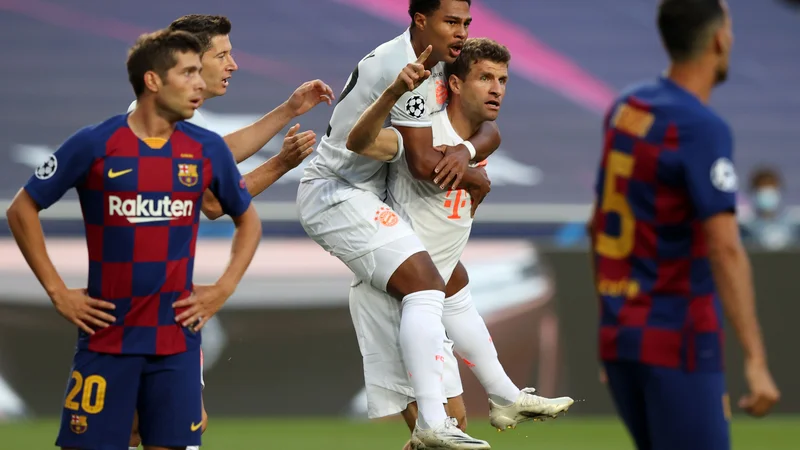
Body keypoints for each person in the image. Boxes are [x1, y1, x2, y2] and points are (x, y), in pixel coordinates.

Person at [5, 29, 262, 450]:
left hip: (176, 341)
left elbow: (247, 219)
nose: (201, 83)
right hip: (106, 338)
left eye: (201, 72)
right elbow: (22, 208)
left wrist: (223, 288)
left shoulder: (207, 149)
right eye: (188, 73)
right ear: (153, 81)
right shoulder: (95, 143)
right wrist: (58, 292)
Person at [347, 37, 574, 450]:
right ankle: (453, 414)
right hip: (401, 290)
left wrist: (467, 153)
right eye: (485, 78)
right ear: (453, 84)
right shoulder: (421, 131)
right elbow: (374, 145)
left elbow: (489, 137)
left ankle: (504, 396)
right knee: (440, 426)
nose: (497, 88)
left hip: (439, 270)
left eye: (503, 80)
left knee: (457, 297)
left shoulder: (481, 135)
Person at [296, 0, 501, 447]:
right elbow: (426, 162)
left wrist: (465, 155)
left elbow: (485, 128)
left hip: (376, 200)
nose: (462, 31)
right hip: (337, 192)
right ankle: (439, 415)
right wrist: (472, 174)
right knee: (429, 285)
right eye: (451, 21)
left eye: (466, 22)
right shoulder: (408, 68)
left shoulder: (435, 65)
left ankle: (442, 418)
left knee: (458, 420)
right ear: (420, 20)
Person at [126, 15, 333, 449]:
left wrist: (288, 110)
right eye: (221, 55)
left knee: (159, 424)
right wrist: (280, 163)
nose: (232, 64)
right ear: (189, 62)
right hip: (143, 300)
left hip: (160, 295)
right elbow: (216, 202)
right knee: (167, 424)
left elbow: (217, 153)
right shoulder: (159, 124)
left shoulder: (170, 119)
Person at [588, 1, 780, 449]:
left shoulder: (627, 107)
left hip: (621, 339)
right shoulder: (700, 126)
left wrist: (611, 327)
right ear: (719, 39)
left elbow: (599, 222)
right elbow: (725, 247)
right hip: (677, 339)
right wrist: (754, 359)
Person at [742, 167, 796, 250]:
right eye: (762, 190)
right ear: (753, 193)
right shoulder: (745, 228)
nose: (767, 194)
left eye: (771, 189)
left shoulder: (793, 225)